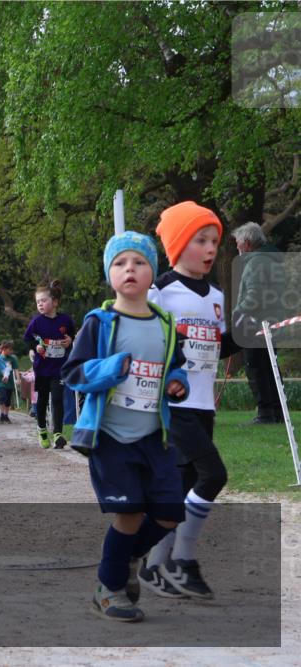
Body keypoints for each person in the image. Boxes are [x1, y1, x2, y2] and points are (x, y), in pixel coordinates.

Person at [62, 231, 190, 622]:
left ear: (154, 274)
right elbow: (74, 374)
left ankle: (129, 554)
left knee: (170, 513)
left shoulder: (166, 324)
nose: (129, 269)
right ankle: (110, 586)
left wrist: (177, 383)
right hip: (112, 437)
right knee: (130, 513)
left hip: (156, 437)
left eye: (139, 262)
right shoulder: (99, 323)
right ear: (109, 275)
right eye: (120, 263)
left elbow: (176, 366)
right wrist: (110, 368)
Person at [141, 201, 240, 599]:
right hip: (172, 406)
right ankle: (183, 560)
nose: (210, 247)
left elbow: (219, 347)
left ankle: (152, 567)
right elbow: (143, 338)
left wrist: (248, 333)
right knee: (213, 475)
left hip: (203, 405)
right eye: (201, 239)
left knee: (179, 490)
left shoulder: (215, 294)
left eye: (214, 240)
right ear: (179, 244)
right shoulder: (160, 290)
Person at [232, 222, 287, 424]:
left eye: (238, 243)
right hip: (274, 322)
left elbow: (254, 295)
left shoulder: (256, 262)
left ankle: (265, 413)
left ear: (246, 243)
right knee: (270, 367)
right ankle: (278, 412)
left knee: (255, 366)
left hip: (257, 324)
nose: (236, 247)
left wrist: (238, 313)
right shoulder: (272, 260)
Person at [24, 280, 77, 449]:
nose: (40, 304)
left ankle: (58, 433)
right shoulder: (37, 322)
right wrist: (36, 346)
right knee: (42, 400)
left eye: (43, 300)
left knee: (57, 399)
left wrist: (70, 340)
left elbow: (72, 335)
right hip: (42, 368)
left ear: (54, 302)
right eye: (38, 301)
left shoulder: (65, 320)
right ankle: (42, 429)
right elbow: (27, 339)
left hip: (59, 368)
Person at [0, 341, 20, 423]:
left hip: (10, 382)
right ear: (4, 349)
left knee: (8, 400)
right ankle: (2, 415)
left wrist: (18, 379)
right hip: (1, 382)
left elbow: (16, 369)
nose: (10, 351)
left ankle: (6, 415)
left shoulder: (12, 358)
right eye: (9, 349)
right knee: (2, 397)